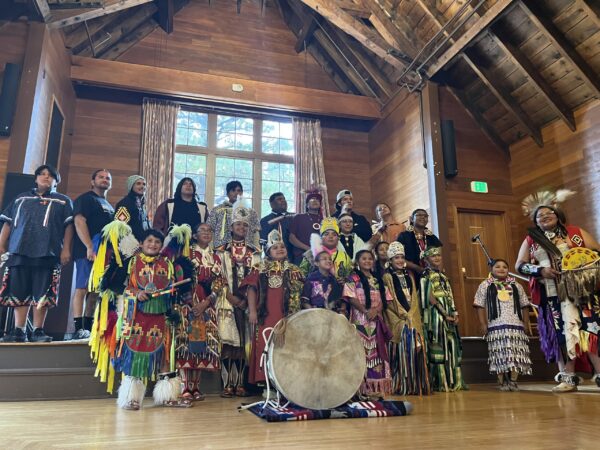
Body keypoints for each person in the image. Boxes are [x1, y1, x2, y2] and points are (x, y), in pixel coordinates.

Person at [516, 189, 600, 392]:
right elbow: (519, 265)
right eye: (539, 216)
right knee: (561, 334)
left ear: (558, 215)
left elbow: (596, 253)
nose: (544, 217)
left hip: (581, 292)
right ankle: (568, 378)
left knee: (591, 331)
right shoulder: (531, 240)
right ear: (535, 222)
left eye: (548, 213)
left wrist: (581, 265)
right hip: (552, 294)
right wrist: (540, 270)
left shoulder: (575, 233)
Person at [112, 229, 189, 410]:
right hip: (136, 316)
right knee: (135, 352)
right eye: (149, 241)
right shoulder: (131, 263)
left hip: (160, 315)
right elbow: (119, 287)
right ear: (141, 243)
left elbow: (174, 291)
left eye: (157, 242)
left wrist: (172, 294)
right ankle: (131, 398)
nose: (153, 244)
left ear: (161, 246)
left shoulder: (168, 264)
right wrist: (137, 293)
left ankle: (167, 396)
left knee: (164, 354)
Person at [0, 165, 73, 343]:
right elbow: (8, 223)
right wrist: (1, 244)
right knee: (20, 290)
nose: (46, 177)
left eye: (50, 175)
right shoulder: (20, 198)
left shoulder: (63, 201)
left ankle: (38, 331)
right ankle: (19, 330)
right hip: (19, 250)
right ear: (36, 178)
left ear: (57, 181)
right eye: (42, 174)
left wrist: (66, 249)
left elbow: (69, 226)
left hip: (48, 252)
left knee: (42, 292)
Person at [214, 200, 261, 397]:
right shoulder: (221, 250)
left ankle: (240, 382)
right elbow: (218, 275)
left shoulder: (255, 252)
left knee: (243, 343)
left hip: (247, 302)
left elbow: (257, 277)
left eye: (244, 225)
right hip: (226, 299)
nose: (241, 227)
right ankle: (227, 383)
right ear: (231, 227)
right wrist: (230, 296)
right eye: (238, 224)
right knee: (228, 341)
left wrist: (246, 302)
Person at [244, 229, 303, 385]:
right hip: (266, 315)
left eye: (282, 246)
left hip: (288, 315)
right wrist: (253, 311)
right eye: (275, 247)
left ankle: (285, 382)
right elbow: (251, 289)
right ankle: (266, 381)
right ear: (268, 251)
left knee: (286, 346)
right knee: (266, 344)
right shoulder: (260, 267)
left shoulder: (294, 270)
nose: (280, 249)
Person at [173, 222, 223, 402]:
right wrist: (190, 301)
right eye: (202, 230)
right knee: (187, 344)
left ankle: (196, 387)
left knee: (202, 345)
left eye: (210, 230)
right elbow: (179, 278)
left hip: (207, 304)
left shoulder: (216, 257)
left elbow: (219, 282)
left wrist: (207, 301)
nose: (207, 233)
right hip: (188, 304)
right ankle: (185, 386)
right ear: (194, 235)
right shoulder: (187, 253)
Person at [474, 259, 532, 392]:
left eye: (505, 267)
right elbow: (479, 305)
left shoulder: (516, 285)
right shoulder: (485, 285)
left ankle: (513, 380)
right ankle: (501, 381)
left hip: (515, 324)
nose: (501, 269)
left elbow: (524, 305)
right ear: (491, 269)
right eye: (497, 266)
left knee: (514, 353)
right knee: (499, 353)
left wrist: (526, 322)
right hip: (496, 325)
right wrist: (483, 323)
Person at [343, 249, 393, 399]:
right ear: (357, 262)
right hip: (359, 321)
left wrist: (376, 310)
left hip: (375, 321)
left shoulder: (378, 280)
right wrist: (366, 311)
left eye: (370, 259)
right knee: (360, 353)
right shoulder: (353, 279)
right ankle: (359, 389)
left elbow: (386, 299)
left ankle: (375, 388)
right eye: (363, 259)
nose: (367, 261)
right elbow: (351, 297)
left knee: (377, 354)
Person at [71, 169, 114, 340]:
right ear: (92, 181)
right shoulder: (85, 199)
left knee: (95, 290)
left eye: (108, 178)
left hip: (104, 254)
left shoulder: (109, 205)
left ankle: (87, 327)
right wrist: (89, 246)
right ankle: (77, 327)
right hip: (87, 251)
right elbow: (79, 222)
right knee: (82, 287)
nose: (105, 180)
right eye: (101, 177)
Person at [382, 242, 430, 395]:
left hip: (411, 316)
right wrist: (403, 314)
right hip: (397, 317)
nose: (400, 260)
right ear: (390, 259)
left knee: (416, 347)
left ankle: (414, 385)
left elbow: (415, 298)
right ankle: (401, 384)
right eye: (396, 257)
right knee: (402, 348)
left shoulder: (409, 276)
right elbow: (390, 300)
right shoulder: (387, 277)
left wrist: (412, 314)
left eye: (402, 257)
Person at [420, 246, 466, 392]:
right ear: (426, 260)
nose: (437, 258)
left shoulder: (444, 277)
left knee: (451, 344)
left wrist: (454, 312)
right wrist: (443, 313)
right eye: (433, 256)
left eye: (438, 256)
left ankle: (455, 380)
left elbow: (450, 295)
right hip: (436, 314)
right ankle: (440, 382)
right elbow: (429, 296)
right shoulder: (425, 276)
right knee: (438, 343)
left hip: (448, 313)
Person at [208, 180, 260, 250]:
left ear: (242, 193)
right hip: (221, 250)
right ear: (228, 193)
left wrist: (257, 250)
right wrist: (210, 250)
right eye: (233, 190)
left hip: (246, 250)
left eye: (239, 191)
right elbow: (210, 230)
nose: (236, 193)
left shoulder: (251, 212)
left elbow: (255, 232)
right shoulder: (217, 210)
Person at [299, 217, 352, 282]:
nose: (330, 236)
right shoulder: (310, 254)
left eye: (334, 234)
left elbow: (351, 276)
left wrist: (345, 280)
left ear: (338, 238)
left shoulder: (345, 257)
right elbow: (300, 277)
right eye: (326, 234)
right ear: (321, 238)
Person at [397, 209, 442, 277]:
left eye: (425, 216)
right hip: (410, 274)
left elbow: (440, 258)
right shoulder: (404, 236)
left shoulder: (432, 237)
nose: (423, 217)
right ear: (412, 219)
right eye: (419, 215)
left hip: (432, 275)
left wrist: (438, 274)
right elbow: (398, 257)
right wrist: (418, 268)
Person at [289, 190, 324, 265]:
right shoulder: (299, 217)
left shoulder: (324, 220)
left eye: (317, 200)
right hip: (301, 257)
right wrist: (309, 249)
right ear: (307, 205)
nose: (315, 201)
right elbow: (292, 238)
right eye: (312, 199)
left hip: (320, 257)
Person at [114, 175, 151, 242]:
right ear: (131, 186)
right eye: (138, 184)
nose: (142, 186)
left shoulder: (141, 204)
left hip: (142, 244)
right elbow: (120, 228)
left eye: (144, 184)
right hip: (130, 246)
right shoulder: (124, 204)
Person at [259, 192, 294, 258]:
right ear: (271, 204)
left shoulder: (293, 218)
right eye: (279, 199)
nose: (283, 201)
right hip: (271, 260)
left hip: (292, 258)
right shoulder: (265, 221)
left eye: (284, 199)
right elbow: (263, 243)